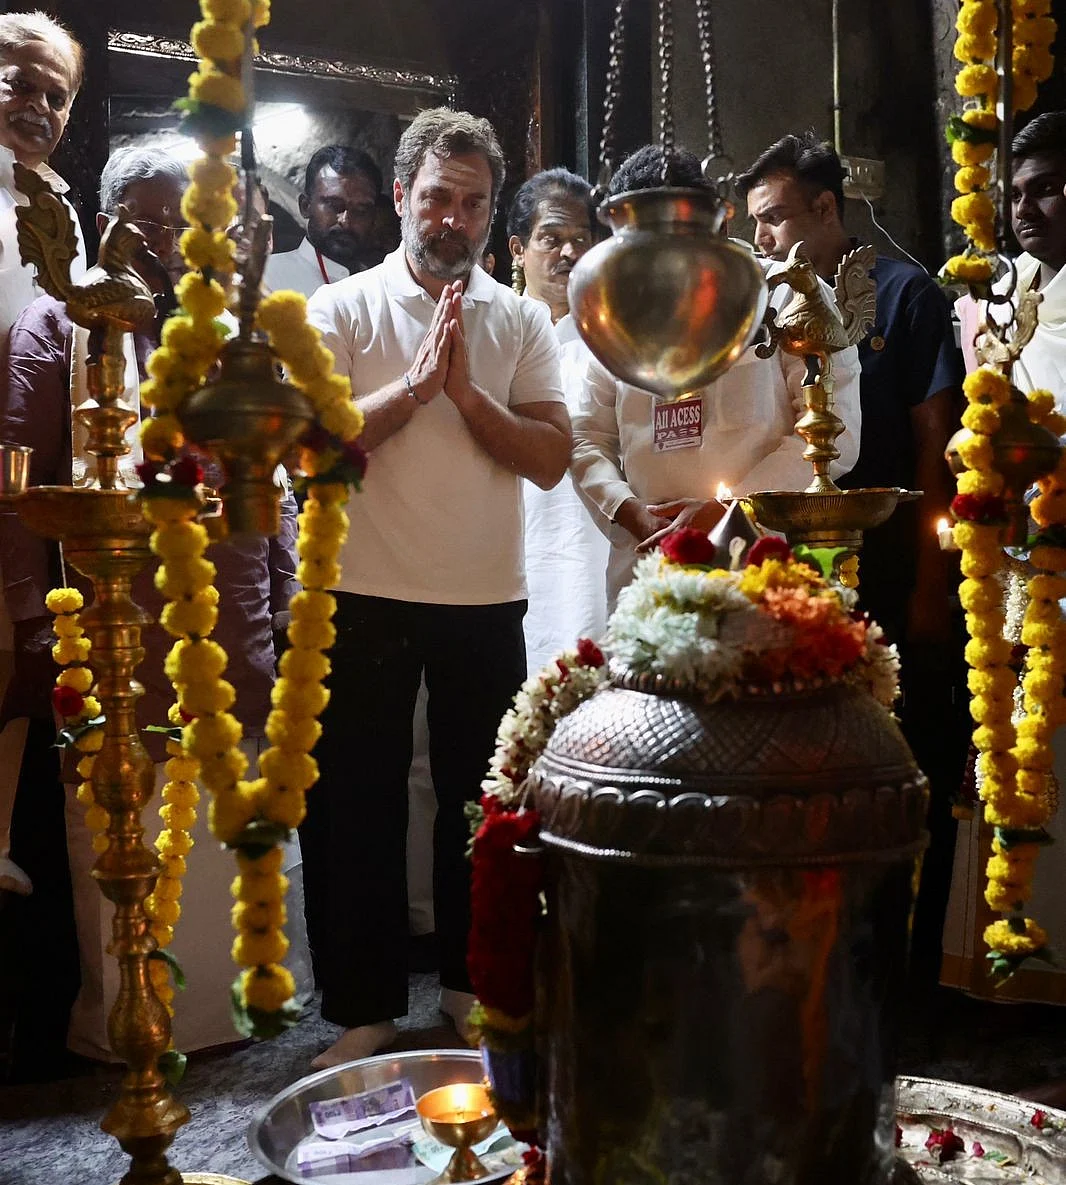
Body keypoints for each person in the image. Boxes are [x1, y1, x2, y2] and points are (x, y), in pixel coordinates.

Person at [0, 146, 311, 1059]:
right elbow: (21, 488)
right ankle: (129, 1035)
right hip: (109, 625)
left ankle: (237, 1023)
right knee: (121, 829)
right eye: (142, 219)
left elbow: (271, 486)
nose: (163, 241)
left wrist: (290, 597)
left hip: (232, 618)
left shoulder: (221, 336)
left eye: (181, 223)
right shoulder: (61, 327)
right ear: (103, 225)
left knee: (235, 829)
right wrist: (27, 614)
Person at [305, 107, 570, 1067]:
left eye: (472, 202)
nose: (452, 217)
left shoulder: (521, 317)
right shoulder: (337, 310)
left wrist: (466, 395)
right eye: (436, 197)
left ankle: (471, 986)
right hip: (360, 586)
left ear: (491, 212)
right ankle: (362, 1007)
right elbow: (310, 448)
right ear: (405, 198)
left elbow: (550, 456)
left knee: (479, 805)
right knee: (358, 803)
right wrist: (414, 390)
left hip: (483, 594)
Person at [737, 133, 969, 989]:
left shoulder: (904, 296)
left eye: (774, 219)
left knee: (903, 765)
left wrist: (933, 592)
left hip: (895, 572)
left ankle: (906, 968)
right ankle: (815, 962)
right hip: (796, 580)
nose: (761, 238)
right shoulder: (763, 304)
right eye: (753, 222)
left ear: (826, 210)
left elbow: (933, 441)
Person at [571, 145, 862, 608]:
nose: (659, 268)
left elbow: (835, 434)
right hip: (646, 558)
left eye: (673, 245)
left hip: (762, 558)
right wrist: (631, 513)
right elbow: (585, 437)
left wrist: (726, 512)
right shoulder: (615, 309)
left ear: (718, 226)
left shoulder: (788, 293)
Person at [945, 112, 1066, 1008]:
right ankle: (1003, 964)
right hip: (1015, 545)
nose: (1025, 209)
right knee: (1009, 731)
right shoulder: (999, 288)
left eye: (1047, 190)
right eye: (1013, 193)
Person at [507, 167, 609, 673]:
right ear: (517, 250)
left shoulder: (616, 341)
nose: (569, 253)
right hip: (503, 547)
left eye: (581, 240)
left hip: (589, 548)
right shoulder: (490, 332)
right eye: (551, 238)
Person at [264, 145, 383, 296]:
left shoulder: (379, 287)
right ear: (305, 206)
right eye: (333, 205)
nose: (345, 221)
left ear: (374, 217)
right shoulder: (265, 277)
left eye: (361, 211)